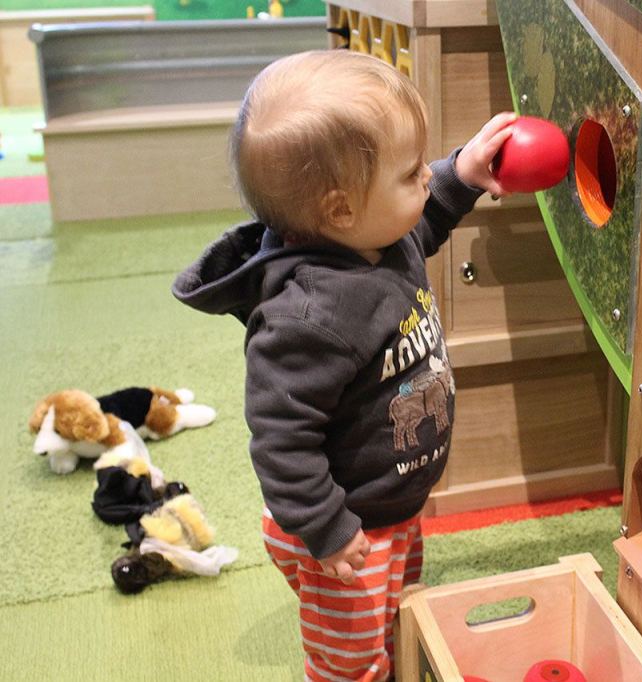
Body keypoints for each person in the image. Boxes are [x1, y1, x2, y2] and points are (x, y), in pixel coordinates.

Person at [172, 49, 515, 681]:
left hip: (391, 500)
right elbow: (280, 438)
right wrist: (326, 527)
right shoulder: (308, 318)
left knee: (396, 613)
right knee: (350, 660)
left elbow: (426, 218)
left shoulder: (378, 237)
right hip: (342, 521)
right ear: (339, 211)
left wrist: (462, 173)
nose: (426, 178)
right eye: (410, 173)